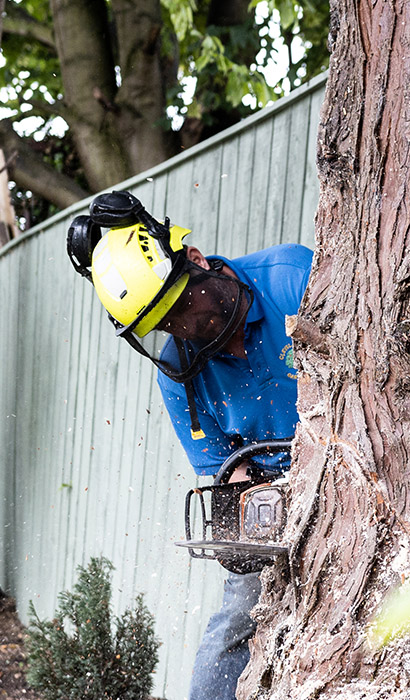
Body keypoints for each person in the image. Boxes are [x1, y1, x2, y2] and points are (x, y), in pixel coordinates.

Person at [67, 191, 313, 700]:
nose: (186, 329)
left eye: (184, 307)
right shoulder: (178, 373)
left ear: (197, 262)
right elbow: (226, 468)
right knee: (235, 624)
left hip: (355, 459)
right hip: (271, 491)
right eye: (167, 324)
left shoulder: (292, 279)